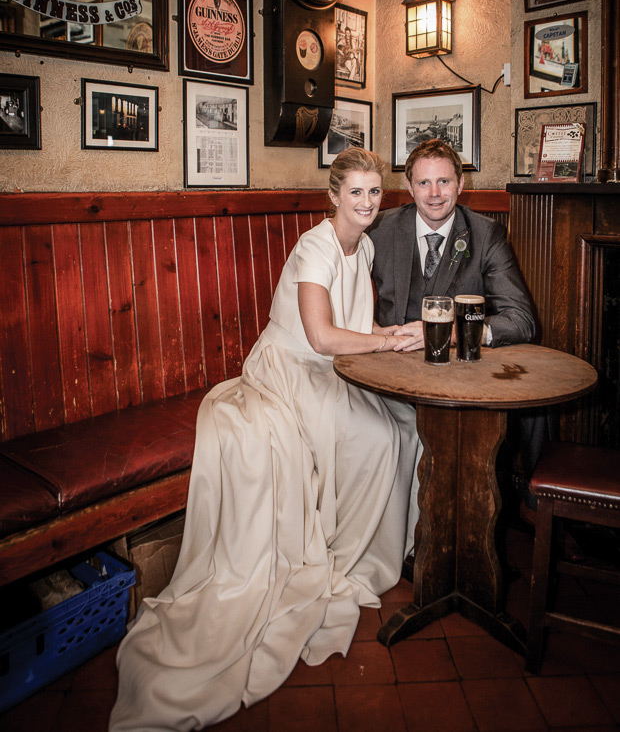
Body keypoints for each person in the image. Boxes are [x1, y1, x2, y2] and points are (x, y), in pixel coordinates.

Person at [110, 148, 421, 731]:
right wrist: (379, 345)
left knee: (401, 426)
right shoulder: (315, 247)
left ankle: (376, 550)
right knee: (372, 433)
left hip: (336, 368)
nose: (367, 203)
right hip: (293, 369)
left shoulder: (369, 245)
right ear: (334, 196)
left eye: (375, 192)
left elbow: (359, 324)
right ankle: (333, 551)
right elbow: (322, 337)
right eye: (356, 192)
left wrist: (395, 333)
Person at [368, 139, 536, 349]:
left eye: (444, 181)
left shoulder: (486, 236)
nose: (434, 193)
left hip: (457, 370)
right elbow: (343, 300)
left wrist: (453, 333)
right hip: (386, 361)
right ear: (410, 187)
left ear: (461, 184)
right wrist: (371, 328)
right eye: (423, 183)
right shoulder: (378, 229)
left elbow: (521, 321)